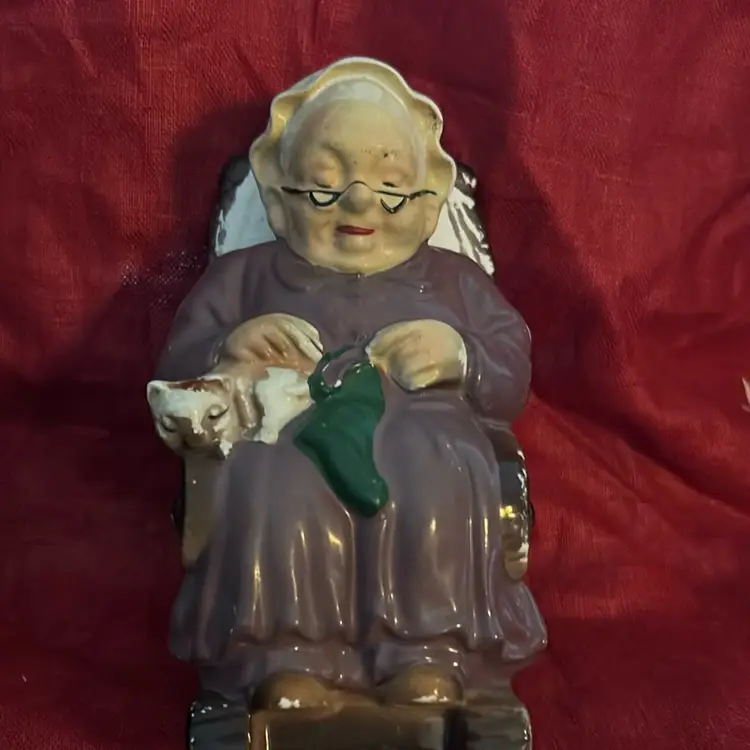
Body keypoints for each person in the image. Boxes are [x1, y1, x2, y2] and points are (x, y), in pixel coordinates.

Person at [155, 56, 546, 710]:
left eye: (390, 187)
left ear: (427, 201)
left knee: (437, 474)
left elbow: (512, 368)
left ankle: (429, 653)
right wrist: (232, 349)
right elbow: (178, 372)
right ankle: (283, 656)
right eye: (324, 186)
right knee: (272, 481)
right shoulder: (244, 278)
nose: (359, 204)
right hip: (284, 431)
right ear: (280, 198)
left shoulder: (455, 283)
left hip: (429, 436)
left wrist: (462, 356)